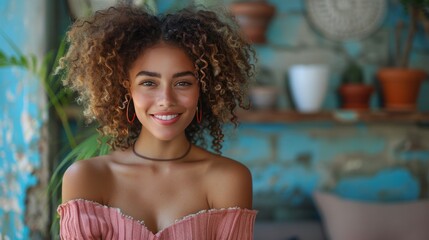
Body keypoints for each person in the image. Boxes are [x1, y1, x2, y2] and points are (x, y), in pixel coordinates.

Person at [56, 3, 257, 240]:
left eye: (183, 83)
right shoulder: (87, 177)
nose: (166, 100)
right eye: (149, 83)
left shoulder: (229, 179)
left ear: (203, 90)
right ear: (126, 89)